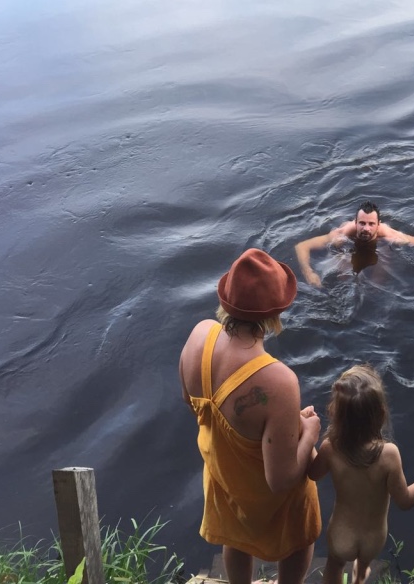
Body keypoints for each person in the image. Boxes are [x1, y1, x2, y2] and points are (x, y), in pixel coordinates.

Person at [179, 248, 321, 584]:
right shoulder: (279, 381)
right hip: (265, 498)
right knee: (300, 537)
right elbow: (280, 480)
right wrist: (309, 430)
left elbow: (191, 401)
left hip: (223, 476)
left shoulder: (200, 335)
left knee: (234, 537)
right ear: (276, 312)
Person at [308, 364, 414, 584]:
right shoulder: (389, 454)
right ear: (381, 414)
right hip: (372, 540)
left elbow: (313, 474)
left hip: (341, 535)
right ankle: (359, 577)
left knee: (334, 565)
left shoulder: (330, 448)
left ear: (335, 414)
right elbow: (405, 501)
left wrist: (308, 440)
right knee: (363, 565)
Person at [294, 201, 414, 289]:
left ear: (378, 224)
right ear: (355, 222)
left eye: (371, 224)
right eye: (362, 223)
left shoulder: (390, 235)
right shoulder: (342, 234)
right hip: (350, 250)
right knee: (344, 277)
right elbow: (302, 246)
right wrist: (309, 273)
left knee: (378, 283)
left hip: (379, 251)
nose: (366, 228)